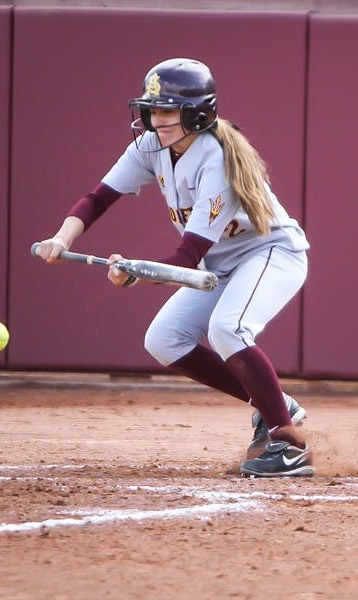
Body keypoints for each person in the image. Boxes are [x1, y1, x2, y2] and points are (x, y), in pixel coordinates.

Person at [37, 57, 314, 477]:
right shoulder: (152, 145)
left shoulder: (216, 159)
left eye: (167, 109)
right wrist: (62, 237)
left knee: (228, 328)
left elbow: (185, 257)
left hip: (271, 253)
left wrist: (134, 272)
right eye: (152, 108)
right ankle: (274, 402)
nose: (155, 118)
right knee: (165, 339)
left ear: (198, 113)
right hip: (220, 262)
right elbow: (98, 198)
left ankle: (287, 441)